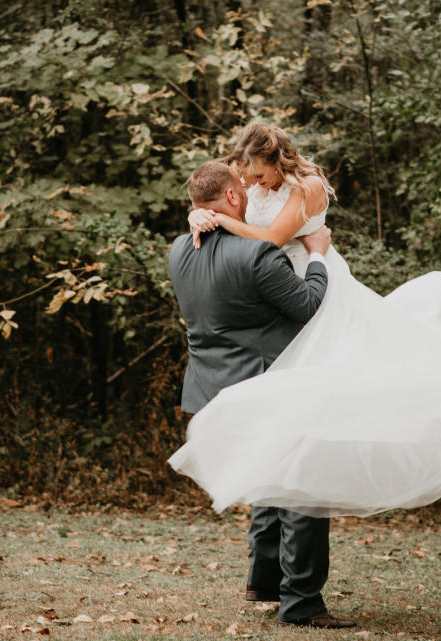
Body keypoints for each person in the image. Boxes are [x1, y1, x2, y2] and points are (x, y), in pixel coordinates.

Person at [168, 122, 441, 518]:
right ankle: (288, 516)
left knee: (340, 392)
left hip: (316, 281)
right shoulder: (250, 180)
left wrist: (220, 221)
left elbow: (272, 239)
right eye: (248, 175)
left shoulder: (306, 188)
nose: (256, 182)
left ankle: (317, 494)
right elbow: (214, 190)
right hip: (277, 290)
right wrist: (198, 216)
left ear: (277, 161)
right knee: (288, 412)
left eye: (260, 173)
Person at [168, 159, 355, 629]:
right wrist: (317, 254)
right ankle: (302, 602)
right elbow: (309, 304)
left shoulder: (178, 250)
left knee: (269, 478)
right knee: (303, 486)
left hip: (213, 389)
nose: (250, 192)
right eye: (243, 187)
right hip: (268, 381)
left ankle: (264, 580)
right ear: (231, 197)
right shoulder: (257, 255)